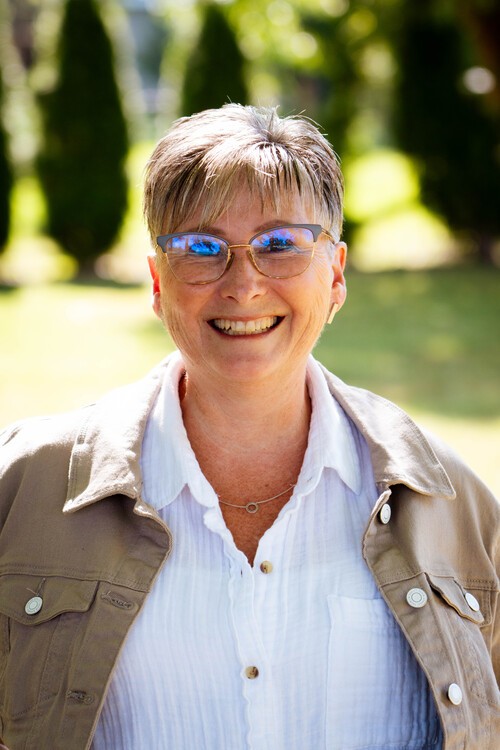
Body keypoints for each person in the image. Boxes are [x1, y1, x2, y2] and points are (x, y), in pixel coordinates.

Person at [0, 104, 498, 750]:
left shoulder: (451, 504)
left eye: (280, 244)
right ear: (157, 281)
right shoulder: (24, 489)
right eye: (200, 248)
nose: (243, 285)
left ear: (335, 274)